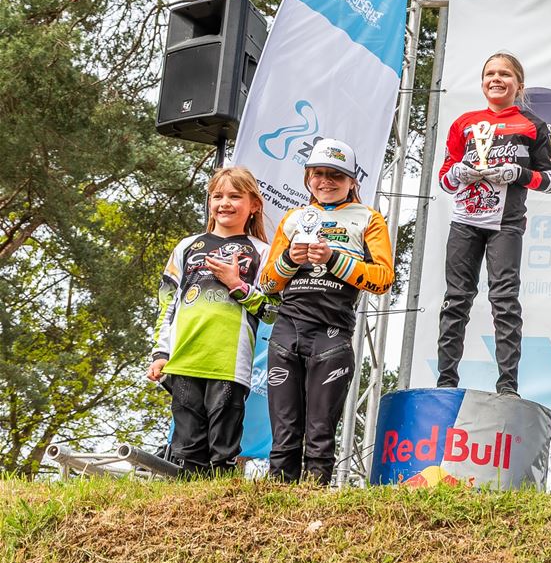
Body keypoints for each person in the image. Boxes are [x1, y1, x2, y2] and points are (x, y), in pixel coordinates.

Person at [261, 139, 393, 484]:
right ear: (308, 177)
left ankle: (314, 500)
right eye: (318, 173)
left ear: (352, 181)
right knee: (284, 432)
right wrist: (290, 259)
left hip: (332, 332)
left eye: (336, 175)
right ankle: (276, 499)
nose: (326, 181)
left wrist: (333, 259)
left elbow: (383, 279)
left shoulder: (368, 219)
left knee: (320, 433)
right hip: (288, 329)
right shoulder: (293, 218)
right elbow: (267, 283)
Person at [435, 52, 551, 395]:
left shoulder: (532, 125)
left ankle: (507, 387)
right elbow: (444, 180)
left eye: (504, 74)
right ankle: (445, 383)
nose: (496, 79)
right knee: (456, 300)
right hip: (464, 222)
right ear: (482, 82)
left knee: (504, 302)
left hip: (505, 225)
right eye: (490, 73)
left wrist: (519, 173)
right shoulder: (464, 124)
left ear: (518, 84)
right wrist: (457, 174)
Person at [148, 166, 272, 476]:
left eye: (235, 196)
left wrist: (237, 284)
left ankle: (221, 494)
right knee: (185, 447)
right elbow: (167, 303)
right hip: (185, 358)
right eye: (217, 196)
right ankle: (186, 495)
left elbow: (272, 310)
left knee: (222, 447)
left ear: (254, 205)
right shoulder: (186, 246)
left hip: (229, 362)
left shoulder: (263, 252)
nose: (224, 203)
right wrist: (160, 352)